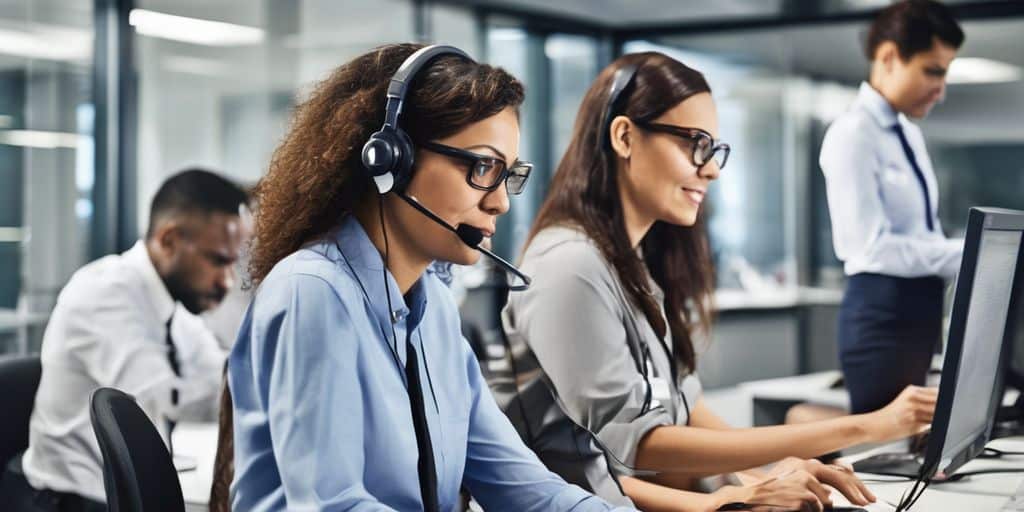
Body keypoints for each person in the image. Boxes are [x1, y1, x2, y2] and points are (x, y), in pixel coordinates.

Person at [498, 52, 939, 511]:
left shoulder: (632, 264)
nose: (710, 168)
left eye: (713, 149)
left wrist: (771, 471)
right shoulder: (570, 266)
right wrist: (869, 426)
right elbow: (640, 444)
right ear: (625, 136)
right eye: (695, 142)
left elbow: (684, 410)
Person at [220, 43, 632, 512]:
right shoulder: (312, 292)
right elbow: (334, 505)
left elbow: (525, 487)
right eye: (482, 167)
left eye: (507, 175)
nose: (500, 202)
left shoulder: (432, 308)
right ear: (391, 161)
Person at [0, 169, 248, 511]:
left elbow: (217, 378)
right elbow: (158, 397)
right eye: (217, 261)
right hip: (68, 503)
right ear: (170, 239)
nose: (227, 281)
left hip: (118, 495)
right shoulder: (104, 293)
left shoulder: (170, 305)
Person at [820, 0, 964, 414]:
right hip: (881, 319)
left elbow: (923, 235)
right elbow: (871, 248)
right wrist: (966, 254)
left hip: (919, 313)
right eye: (932, 70)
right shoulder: (853, 135)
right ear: (888, 57)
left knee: (919, 439)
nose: (941, 89)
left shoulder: (908, 134)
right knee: (882, 451)